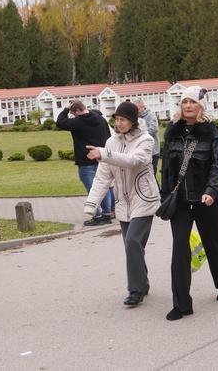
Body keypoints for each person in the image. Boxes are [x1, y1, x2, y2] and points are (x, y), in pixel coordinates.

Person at [161, 86, 218, 321]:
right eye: (184, 102)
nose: (188, 106)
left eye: (192, 102)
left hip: (207, 200)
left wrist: (212, 191)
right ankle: (181, 304)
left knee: (215, 242)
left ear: (201, 105)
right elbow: (167, 168)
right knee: (179, 248)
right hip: (180, 202)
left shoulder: (212, 131)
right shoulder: (172, 132)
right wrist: (165, 195)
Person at [84, 102, 160, 307]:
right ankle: (142, 283)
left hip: (144, 200)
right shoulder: (111, 142)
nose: (119, 123)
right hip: (123, 203)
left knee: (133, 242)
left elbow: (134, 161)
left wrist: (104, 155)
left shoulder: (146, 139)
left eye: (123, 120)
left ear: (133, 121)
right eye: (116, 119)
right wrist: (92, 205)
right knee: (133, 247)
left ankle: (135, 290)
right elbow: (102, 177)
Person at [57, 100, 114, 226]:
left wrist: (66, 109)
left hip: (85, 159)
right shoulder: (100, 119)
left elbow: (60, 122)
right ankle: (107, 215)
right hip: (102, 157)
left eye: (73, 113)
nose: (73, 116)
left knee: (92, 189)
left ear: (77, 111)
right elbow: (109, 137)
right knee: (104, 186)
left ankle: (97, 215)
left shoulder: (78, 122)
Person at [135, 99, 160, 176]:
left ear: (143, 107)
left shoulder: (151, 115)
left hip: (153, 151)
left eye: (138, 109)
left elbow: (154, 129)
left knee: (152, 176)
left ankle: (157, 188)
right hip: (142, 151)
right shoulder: (136, 117)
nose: (137, 111)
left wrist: (140, 133)